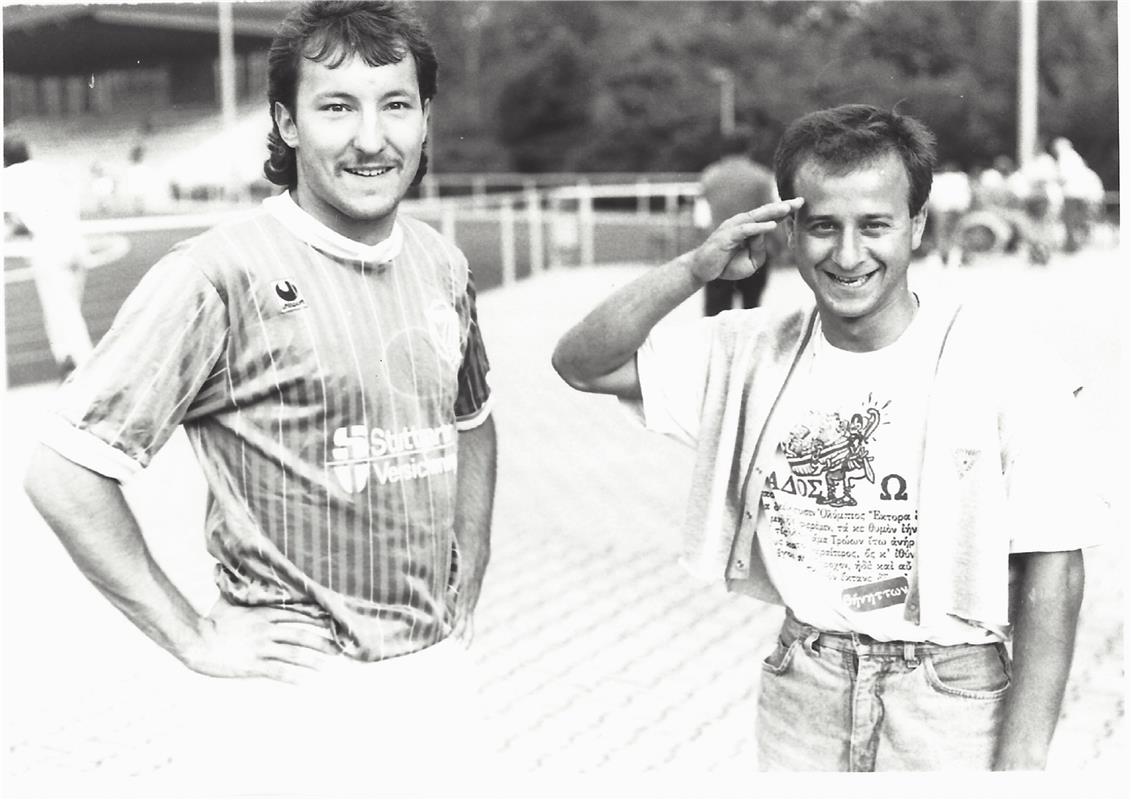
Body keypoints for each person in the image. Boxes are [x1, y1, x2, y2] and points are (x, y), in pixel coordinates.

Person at [23, 1, 496, 793]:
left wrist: (471, 554)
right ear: (285, 122)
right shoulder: (216, 274)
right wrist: (191, 637)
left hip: (436, 682)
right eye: (337, 106)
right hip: (291, 702)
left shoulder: (442, 265)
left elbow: (472, 421)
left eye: (395, 104)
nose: (371, 137)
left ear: (424, 119)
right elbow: (63, 473)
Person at [552, 104, 1100, 771]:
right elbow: (582, 365)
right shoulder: (748, 354)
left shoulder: (1008, 369)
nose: (846, 254)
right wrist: (696, 268)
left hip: (949, 695)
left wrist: (1021, 767)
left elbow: (1055, 571)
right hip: (803, 683)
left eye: (873, 225)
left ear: (916, 227)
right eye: (821, 227)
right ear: (788, 231)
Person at [4, 134, 94, 378]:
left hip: (50, 247)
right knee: (68, 308)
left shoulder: (9, 177)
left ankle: (85, 368)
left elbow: (12, 222)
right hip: (76, 242)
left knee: (63, 312)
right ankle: (66, 361)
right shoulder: (48, 170)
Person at [696, 130, 781, 316]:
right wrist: (780, 244)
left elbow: (701, 218)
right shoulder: (760, 176)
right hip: (754, 250)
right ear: (749, 148)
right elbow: (772, 213)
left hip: (719, 250)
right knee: (751, 308)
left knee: (715, 311)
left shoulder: (709, 176)